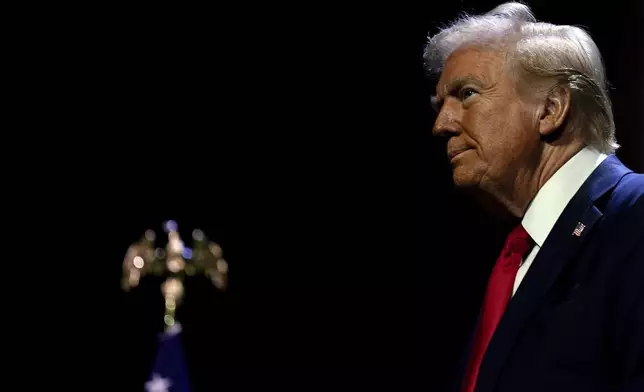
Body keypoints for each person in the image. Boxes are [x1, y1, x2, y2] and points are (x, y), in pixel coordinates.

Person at [423, 2, 643, 391]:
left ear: (551, 109)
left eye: (467, 94)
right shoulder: (516, 256)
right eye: (440, 106)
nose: (442, 125)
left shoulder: (635, 216)